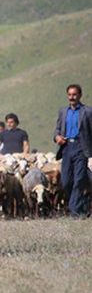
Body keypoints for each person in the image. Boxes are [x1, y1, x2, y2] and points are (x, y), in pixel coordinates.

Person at [53, 84, 92, 217]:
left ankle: (74, 212)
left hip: (81, 148)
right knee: (66, 180)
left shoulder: (88, 111)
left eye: (74, 95)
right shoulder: (63, 111)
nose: (72, 97)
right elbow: (57, 129)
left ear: (80, 95)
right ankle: (82, 206)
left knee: (79, 179)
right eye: (69, 95)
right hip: (66, 148)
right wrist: (57, 137)